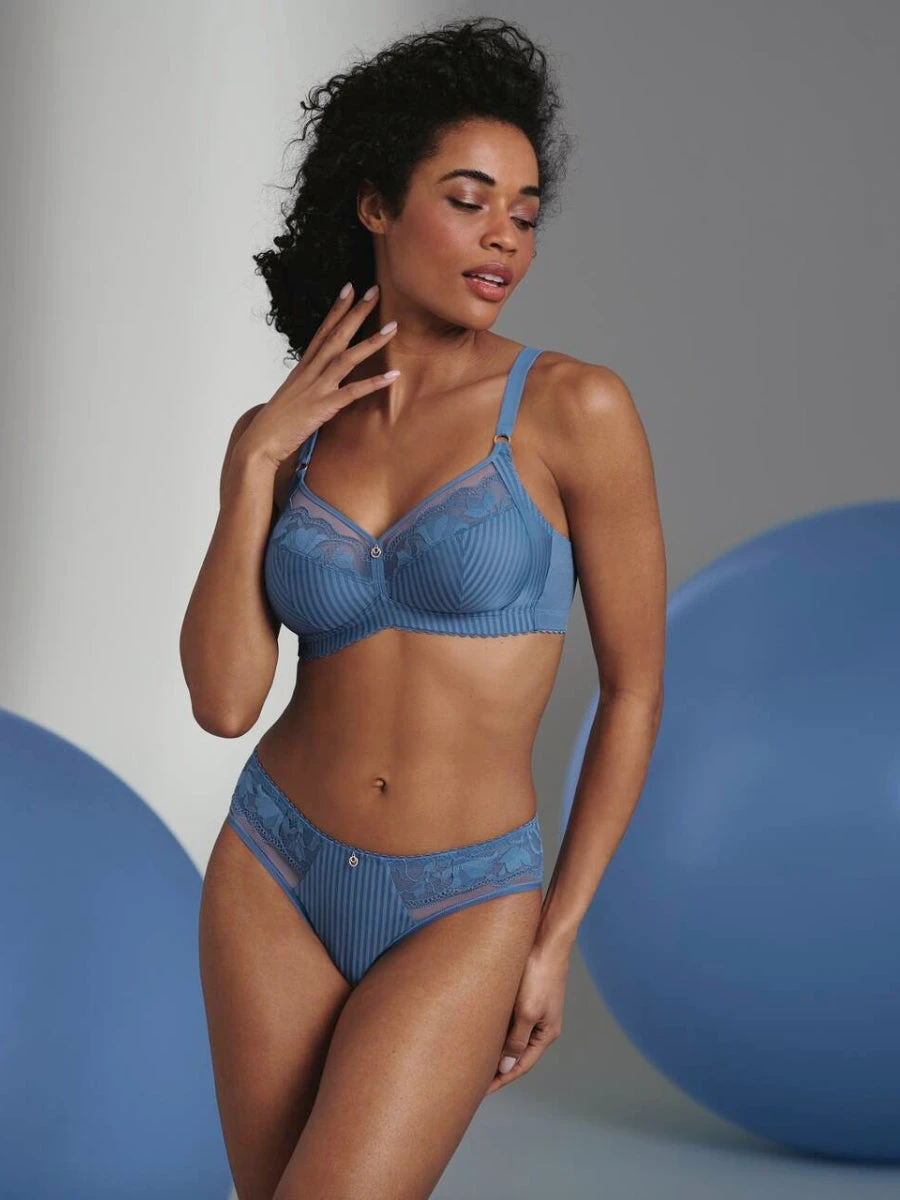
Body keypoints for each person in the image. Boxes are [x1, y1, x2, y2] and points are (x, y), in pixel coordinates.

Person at [180, 16, 667, 1200]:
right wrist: (253, 463)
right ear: (376, 205)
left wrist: (555, 936)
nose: (506, 236)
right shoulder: (295, 433)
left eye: (526, 213)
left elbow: (635, 690)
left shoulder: (574, 409)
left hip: (465, 900)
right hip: (271, 869)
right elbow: (226, 703)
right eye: (469, 200)